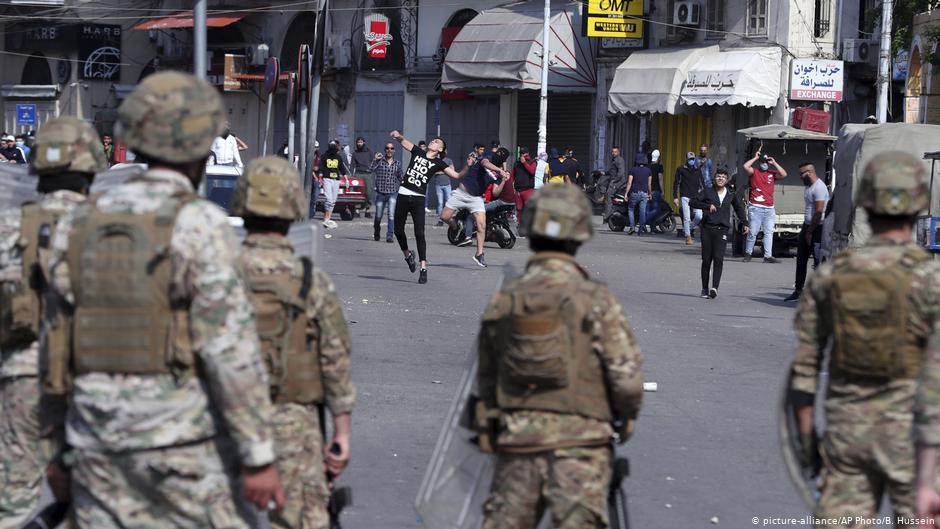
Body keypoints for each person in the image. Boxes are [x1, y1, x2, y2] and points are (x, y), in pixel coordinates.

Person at [41, 71, 284, 528]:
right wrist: (258, 455)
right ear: (199, 147)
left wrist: (54, 447)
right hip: (180, 445)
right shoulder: (200, 225)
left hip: (95, 441)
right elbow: (229, 350)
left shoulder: (79, 222)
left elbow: (55, 344)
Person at [476, 183, 644, 529]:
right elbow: (626, 381)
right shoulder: (595, 299)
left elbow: (486, 377)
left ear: (531, 231)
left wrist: (494, 424)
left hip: (519, 445)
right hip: (581, 448)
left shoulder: (507, 298)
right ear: (579, 235)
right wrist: (624, 417)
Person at [789, 152, 939, 528]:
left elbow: (804, 373)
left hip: (846, 441)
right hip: (912, 447)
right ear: (920, 203)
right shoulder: (931, 280)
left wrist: (809, 448)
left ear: (866, 203)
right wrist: (927, 478)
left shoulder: (831, 276)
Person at [231, 156, 355, 529]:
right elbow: (335, 361)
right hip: (294, 424)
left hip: (224, 423)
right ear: (293, 209)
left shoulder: (215, 273)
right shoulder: (311, 281)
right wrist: (341, 435)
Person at [0, 117, 107, 529]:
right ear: (91, 168)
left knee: (13, 503)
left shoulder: (11, 226)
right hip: (95, 381)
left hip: (23, 378)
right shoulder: (112, 229)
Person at [391, 130, 471, 284]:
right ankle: (408, 255)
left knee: (419, 232)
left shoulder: (439, 163)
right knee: (398, 231)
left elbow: (457, 176)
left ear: (439, 149)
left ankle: (423, 268)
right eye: (433, 140)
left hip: (418, 199)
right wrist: (398, 136)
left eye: (436, 142)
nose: (433, 142)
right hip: (403, 193)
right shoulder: (418, 152)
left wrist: (467, 166)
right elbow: (404, 142)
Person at [441, 146, 511, 268]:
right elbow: (484, 163)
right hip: (461, 193)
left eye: (502, 156)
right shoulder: (488, 156)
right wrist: (500, 171)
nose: (498, 155)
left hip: (476, 199)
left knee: (482, 226)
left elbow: (495, 193)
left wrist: (504, 180)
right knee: (444, 217)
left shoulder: (498, 174)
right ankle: (455, 226)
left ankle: (479, 254)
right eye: (499, 153)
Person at [690, 168, 748, 299]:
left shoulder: (730, 194)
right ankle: (704, 288)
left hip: (722, 230)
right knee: (706, 260)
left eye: (723, 177)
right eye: (718, 176)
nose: (720, 178)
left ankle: (714, 288)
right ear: (714, 178)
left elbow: (739, 209)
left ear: (726, 180)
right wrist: (706, 206)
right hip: (707, 229)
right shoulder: (708, 191)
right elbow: (692, 201)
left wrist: (745, 223)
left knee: (718, 258)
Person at [785, 162, 830, 302]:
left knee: (818, 262)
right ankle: (798, 290)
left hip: (818, 228)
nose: (800, 176)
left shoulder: (820, 188)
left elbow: (819, 211)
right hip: (808, 226)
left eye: (802, 173)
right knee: (801, 259)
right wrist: (805, 229)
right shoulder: (809, 187)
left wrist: (810, 232)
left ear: (810, 172)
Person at [742, 149, 788, 263]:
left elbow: (784, 174)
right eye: (763, 162)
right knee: (753, 231)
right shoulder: (754, 172)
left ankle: (767, 256)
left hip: (769, 208)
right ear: (759, 162)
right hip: (756, 207)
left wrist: (774, 163)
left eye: (766, 162)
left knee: (769, 232)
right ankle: (748, 253)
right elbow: (745, 166)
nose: (765, 164)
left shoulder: (772, 174)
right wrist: (756, 158)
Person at [371, 141, 403, 242]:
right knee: (378, 216)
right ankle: (377, 231)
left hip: (392, 193)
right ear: (385, 150)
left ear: (394, 150)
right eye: (387, 148)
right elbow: (370, 169)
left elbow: (401, 177)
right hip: (381, 193)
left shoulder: (397, 163)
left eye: (391, 148)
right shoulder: (380, 161)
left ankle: (390, 235)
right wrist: (375, 160)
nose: (389, 150)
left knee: (391, 215)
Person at [673, 151, 705, 245]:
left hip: (696, 198)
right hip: (685, 196)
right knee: (687, 218)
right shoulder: (680, 169)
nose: (691, 160)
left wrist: (704, 195)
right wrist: (675, 197)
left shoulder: (697, 170)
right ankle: (688, 236)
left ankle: (688, 228)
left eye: (693, 159)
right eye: (690, 159)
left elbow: (702, 183)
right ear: (686, 159)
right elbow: (676, 183)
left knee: (699, 216)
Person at [320, 142, 350, 229]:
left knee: (333, 201)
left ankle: (327, 219)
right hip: (327, 179)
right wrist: (320, 177)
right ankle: (326, 218)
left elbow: (342, 169)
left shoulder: (338, 157)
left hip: (336, 180)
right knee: (328, 199)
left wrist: (346, 179)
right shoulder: (325, 156)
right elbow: (321, 167)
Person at [625, 152, 652, 235]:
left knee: (631, 209)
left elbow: (629, 183)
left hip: (634, 192)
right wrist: (650, 193)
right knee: (642, 211)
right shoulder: (648, 170)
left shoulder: (632, 170)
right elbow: (649, 184)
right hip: (644, 193)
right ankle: (641, 229)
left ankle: (632, 227)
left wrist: (626, 193)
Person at [351, 136, 375, 218]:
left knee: (368, 192)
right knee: (358, 192)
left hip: (368, 174)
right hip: (358, 174)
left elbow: (374, 162)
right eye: (358, 142)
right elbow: (352, 165)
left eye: (361, 142)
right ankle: (357, 210)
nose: (359, 144)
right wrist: (351, 175)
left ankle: (367, 210)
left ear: (364, 143)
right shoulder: (355, 153)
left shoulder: (369, 152)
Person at [601, 146, 626, 222]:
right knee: (607, 195)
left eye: (615, 152)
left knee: (609, 196)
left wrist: (614, 181)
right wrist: (604, 173)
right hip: (614, 181)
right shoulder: (614, 160)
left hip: (617, 182)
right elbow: (612, 171)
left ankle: (607, 216)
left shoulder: (619, 160)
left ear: (618, 152)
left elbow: (621, 173)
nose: (613, 153)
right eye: (612, 152)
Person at [513, 146, 537, 224]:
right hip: (518, 190)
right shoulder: (517, 163)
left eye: (524, 153)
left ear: (528, 153)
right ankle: (519, 226)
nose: (522, 155)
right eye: (521, 153)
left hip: (528, 190)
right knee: (519, 209)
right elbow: (513, 176)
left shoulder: (532, 162)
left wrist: (524, 163)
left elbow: (532, 172)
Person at [433, 155, 455, 226]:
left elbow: (453, 170)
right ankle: (440, 220)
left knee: (449, 202)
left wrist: (441, 171)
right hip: (438, 185)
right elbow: (434, 172)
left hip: (447, 184)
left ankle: (449, 218)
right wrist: (446, 171)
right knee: (440, 203)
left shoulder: (449, 160)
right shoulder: (435, 160)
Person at [647, 149, 665, 230]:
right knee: (656, 210)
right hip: (656, 190)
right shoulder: (659, 167)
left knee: (650, 208)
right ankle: (644, 220)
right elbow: (660, 179)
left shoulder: (648, 166)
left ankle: (653, 227)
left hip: (648, 190)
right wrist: (662, 190)